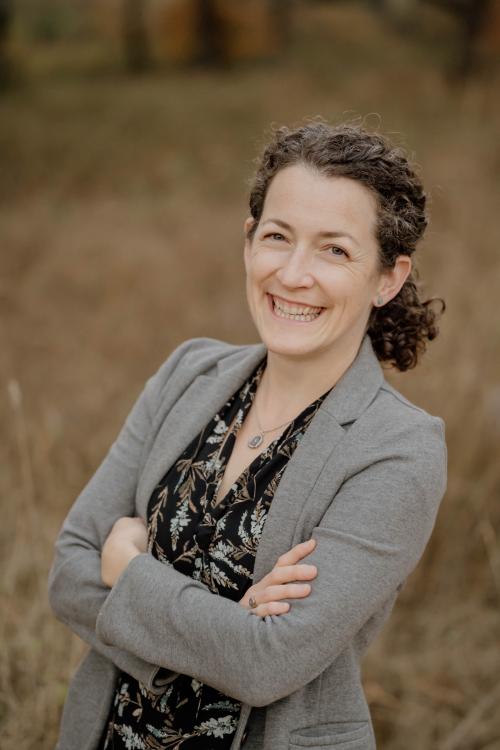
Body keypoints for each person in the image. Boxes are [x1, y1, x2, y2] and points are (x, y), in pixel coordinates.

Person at [48, 119, 447, 750]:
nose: (293, 274)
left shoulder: (398, 448)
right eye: (278, 237)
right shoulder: (189, 372)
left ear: (388, 278)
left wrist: (130, 572)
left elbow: (268, 665)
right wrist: (225, 629)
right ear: (247, 242)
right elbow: (69, 572)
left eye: (334, 250)